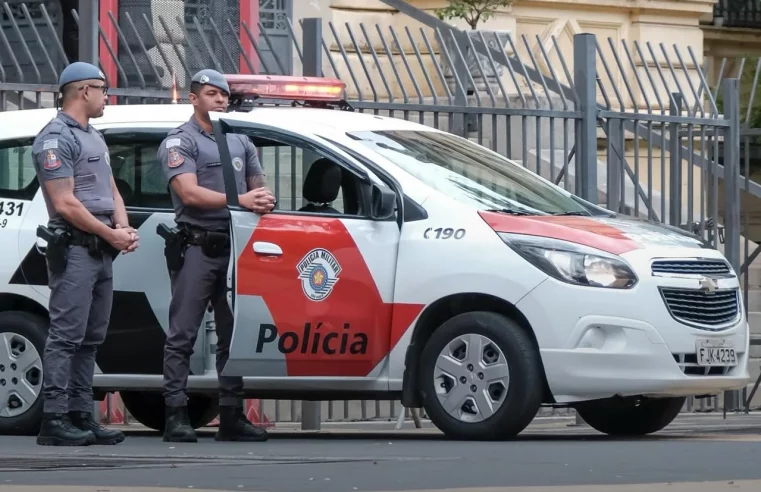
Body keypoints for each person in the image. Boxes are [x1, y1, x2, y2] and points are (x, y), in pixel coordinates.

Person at [157, 69, 276, 443]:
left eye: (224, 95)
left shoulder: (240, 140)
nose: (221, 100)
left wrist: (263, 198)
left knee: (233, 334)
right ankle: (176, 414)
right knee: (183, 334)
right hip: (197, 247)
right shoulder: (180, 142)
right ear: (194, 99)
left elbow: (258, 185)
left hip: (236, 250)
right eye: (212, 94)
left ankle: (231, 414)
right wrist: (239, 201)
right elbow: (189, 193)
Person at [31, 61, 139, 446]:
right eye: (103, 88)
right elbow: (65, 204)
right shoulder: (55, 138)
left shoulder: (93, 135)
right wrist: (112, 234)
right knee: (65, 336)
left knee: (91, 337)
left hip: (100, 249)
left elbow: (111, 190)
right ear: (82, 91)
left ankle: (80, 414)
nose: (107, 96)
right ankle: (54, 419)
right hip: (76, 248)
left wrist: (122, 228)